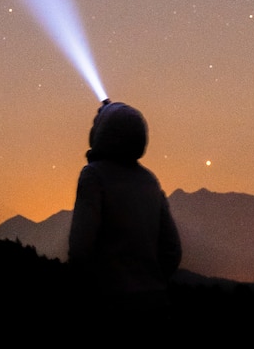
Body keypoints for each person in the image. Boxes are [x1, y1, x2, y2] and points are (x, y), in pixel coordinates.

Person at [68, 100, 182, 313]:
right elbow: (172, 251)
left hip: (110, 304)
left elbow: (80, 248)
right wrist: (148, 282)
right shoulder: (150, 181)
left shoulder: (93, 176)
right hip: (156, 304)